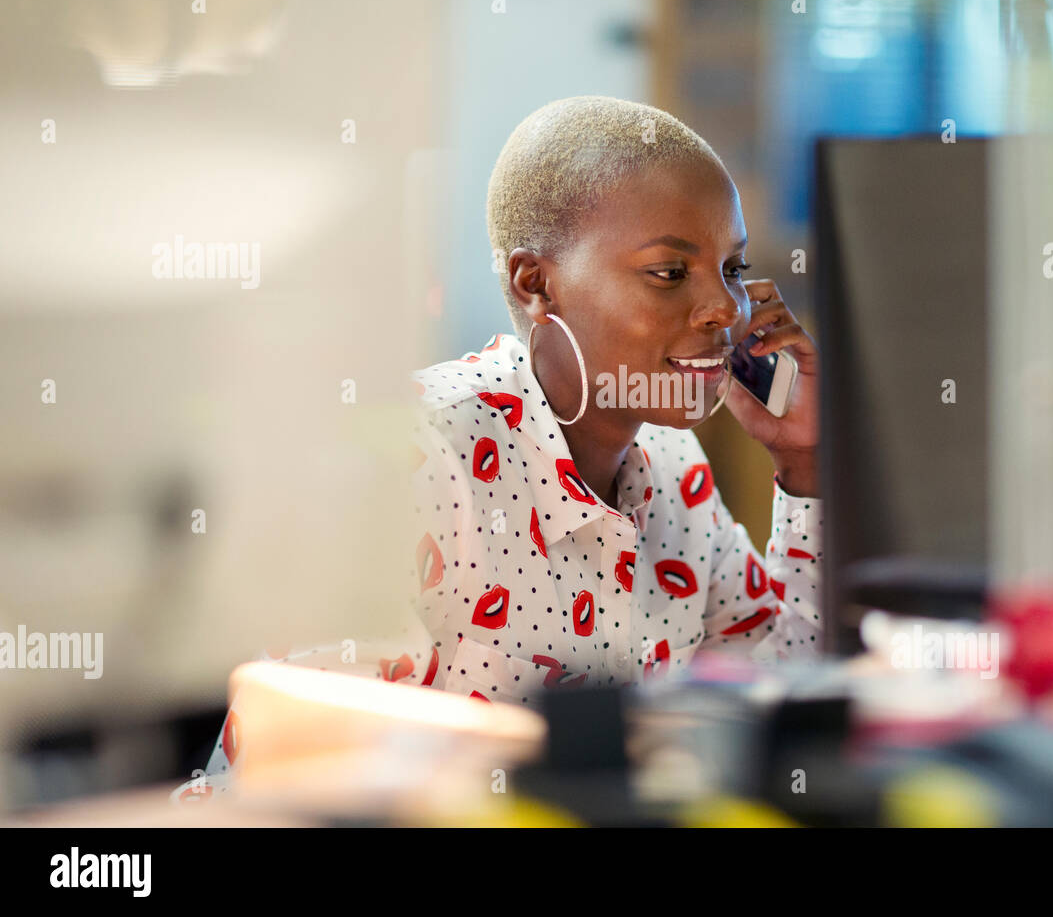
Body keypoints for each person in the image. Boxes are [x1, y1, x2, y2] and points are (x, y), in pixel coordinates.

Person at [193, 95, 823, 796]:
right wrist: (595, 752)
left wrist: (804, 465)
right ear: (536, 284)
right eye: (670, 273)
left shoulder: (675, 472)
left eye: (734, 270)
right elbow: (308, 750)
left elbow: (783, 690)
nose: (727, 309)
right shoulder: (416, 461)